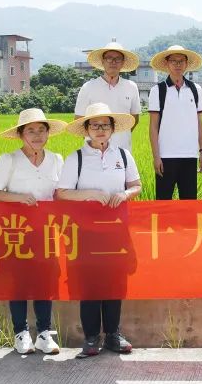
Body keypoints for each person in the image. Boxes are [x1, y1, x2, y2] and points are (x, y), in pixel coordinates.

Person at [56, 103, 142, 357]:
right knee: (89, 285)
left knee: (115, 283)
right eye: (95, 125)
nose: (100, 130)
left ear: (113, 128)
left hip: (116, 231)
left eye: (105, 125)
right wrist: (91, 195)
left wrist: (124, 194)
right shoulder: (76, 158)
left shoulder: (123, 156)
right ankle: (92, 337)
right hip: (85, 233)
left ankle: (113, 335)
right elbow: (62, 193)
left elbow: (136, 185)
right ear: (87, 129)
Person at [0, 108, 67, 355]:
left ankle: (44, 333)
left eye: (41, 130)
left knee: (45, 282)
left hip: (46, 232)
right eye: (30, 130)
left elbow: (59, 194)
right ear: (21, 134)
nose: (37, 135)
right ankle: (21, 333)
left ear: (48, 134)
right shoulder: (9, 160)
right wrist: (19, 199)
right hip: (15, 231)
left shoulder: (56, 160)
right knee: (18, 283)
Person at [147, 44, 202, 200]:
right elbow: (153, 126)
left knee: (189, 203)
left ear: (187, 64)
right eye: (173, 61)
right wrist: (156, 156)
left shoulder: (196, 89)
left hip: (190, 155)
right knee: (163, 202)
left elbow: (199, 123)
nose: (177, 64)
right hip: (165, 156)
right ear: (167, 64)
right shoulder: (157, 91)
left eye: (181, 61)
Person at [75, 40, 142, 151]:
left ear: (123, 62)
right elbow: (79, 120)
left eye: (118, 59)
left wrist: (120, 135)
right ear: (103, 61)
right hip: (93, 152)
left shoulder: (131, 87)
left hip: (122, 151)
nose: (113, 62)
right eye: (109, 58)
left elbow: (134, 119)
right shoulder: (88, 87)